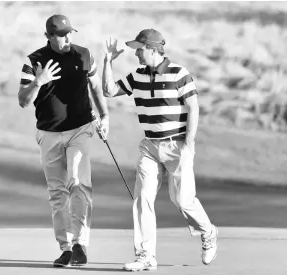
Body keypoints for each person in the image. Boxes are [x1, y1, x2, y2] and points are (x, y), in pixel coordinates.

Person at [102, 29, 218, 271]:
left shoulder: (179, 73)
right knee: (143, 199)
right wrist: (107, 61)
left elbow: (193, 107)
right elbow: (109, 90)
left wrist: (188, 144)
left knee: (183, 200)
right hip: (150, 147)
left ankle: (208, 232)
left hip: (177, 146)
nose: (136, 53)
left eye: (139, 49)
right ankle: (146, 257)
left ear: (153, 49)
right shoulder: (138, 76)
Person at [18, 14, 109, 267]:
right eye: (61, 34)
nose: (67, 38)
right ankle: (66, 248)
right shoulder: (34, 61)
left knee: (79, 183)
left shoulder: (84, 55)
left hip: (81, 128)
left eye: (70, 33)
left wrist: (105, 115)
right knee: (57, 193)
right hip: (48, 133)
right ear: (48, 36)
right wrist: (39, 81)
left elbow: (95, 86)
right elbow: (23, 100)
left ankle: (81, 243)